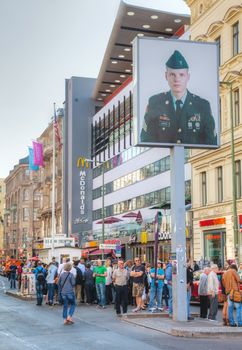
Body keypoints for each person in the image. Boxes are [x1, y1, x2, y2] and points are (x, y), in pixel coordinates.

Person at [140, 50, 217, 146]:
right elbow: (146, 138)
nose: (177, 79)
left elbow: (211, 140)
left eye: (181, 75)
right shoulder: (155, 102)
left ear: (188, 77)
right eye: (172, 74)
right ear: (166, 76)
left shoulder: (202, 105)